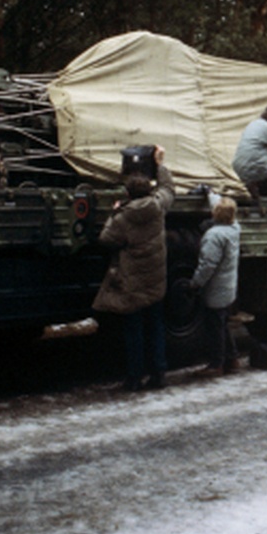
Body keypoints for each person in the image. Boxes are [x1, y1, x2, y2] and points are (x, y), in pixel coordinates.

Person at [95, 145, 176, 391]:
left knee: (134, 330)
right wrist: (160, 165)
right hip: (155, 278)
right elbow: (168, 189)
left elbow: (106, 239)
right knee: (156, 325)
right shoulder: (158, 207)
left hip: (133, 282)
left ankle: (134, 377)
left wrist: (114, 212)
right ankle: (159, 373)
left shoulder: (124, 217)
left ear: (128, 193)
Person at [190, 192, 242, 377]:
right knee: (223, 323)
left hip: (215, 289)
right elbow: (221, 206)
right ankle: (233, 359)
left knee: (215, 327)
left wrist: (195, 283)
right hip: (228, 287)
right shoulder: (234, 228)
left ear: (215, 214)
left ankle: (216, 364)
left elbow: (207, 266)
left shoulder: (213, 236)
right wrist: (209, 193)